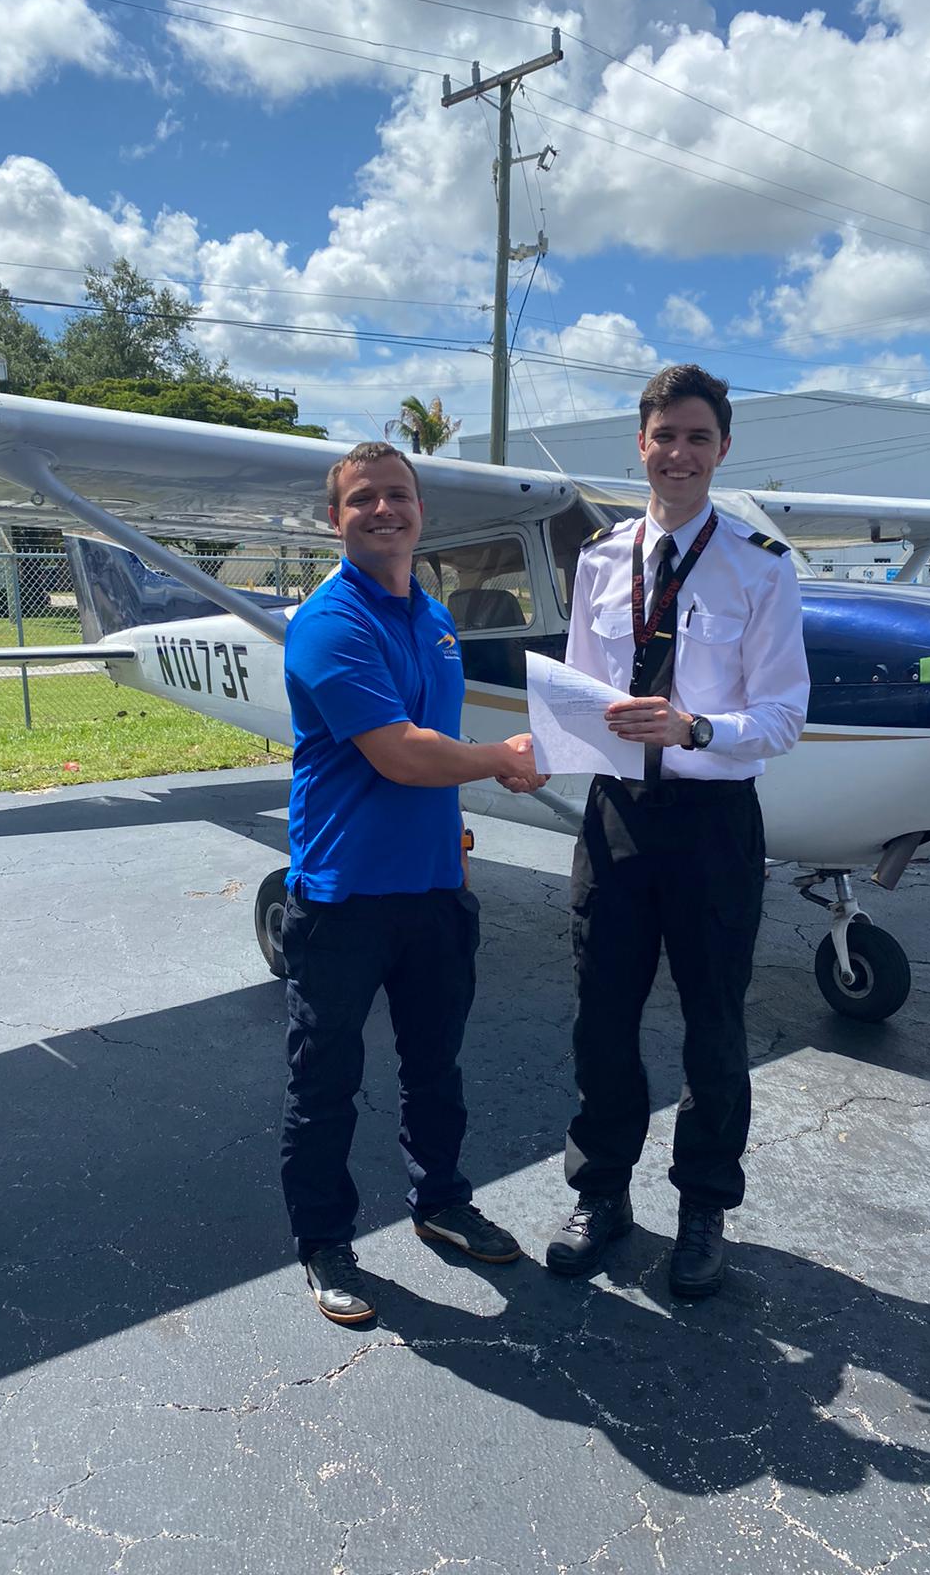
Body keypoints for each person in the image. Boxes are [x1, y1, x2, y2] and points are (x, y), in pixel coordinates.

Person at [545, 364, 810, 1299]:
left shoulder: (758, 566)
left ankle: (704, 1208)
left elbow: (783, 716)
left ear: (722, 448)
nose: (681, 454)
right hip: (616, 814)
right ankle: (602, 1196)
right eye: (666, 437)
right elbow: (579, 690)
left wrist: (696, 728)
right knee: (602, 1017)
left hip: (710, 822)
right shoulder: (601, 560)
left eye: (699, 438)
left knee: (714, 1025)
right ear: (642, 445)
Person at [281, 440, 545, 1326]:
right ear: (336, 518)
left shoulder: (431, 616)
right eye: (364, 500)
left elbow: (432, 743)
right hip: (344, 892)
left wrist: (458, 863)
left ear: (420, 512)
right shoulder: (328, 621)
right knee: (326, 1081)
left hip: (433, 889)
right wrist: (500, 760)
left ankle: (441, 1202)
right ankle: (323, 1243)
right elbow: (399, 754)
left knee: (436, 1067)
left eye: (399, 497)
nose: (384, 511)